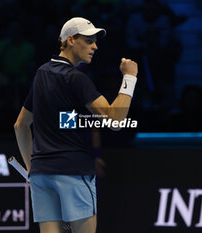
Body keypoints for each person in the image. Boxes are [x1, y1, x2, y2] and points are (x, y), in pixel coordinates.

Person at [14, 17, 138, 233]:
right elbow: (116, 121)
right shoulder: (76, 78)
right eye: (89, 41)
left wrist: (31, 168)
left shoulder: (41, 73)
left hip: (42, 175)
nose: (95, 46)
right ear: (70, 40)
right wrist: (130, 77)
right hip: (72, 172)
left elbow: (20, 126)